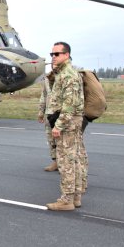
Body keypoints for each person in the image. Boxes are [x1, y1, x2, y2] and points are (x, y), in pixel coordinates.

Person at [46, 42, 86, 210]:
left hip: (67, 124)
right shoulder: (62, 73)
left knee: (66, 162)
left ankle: (66, 200)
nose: (53, 57)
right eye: (52, 54)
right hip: (71, 122)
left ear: (67, 55)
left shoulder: (68, 75)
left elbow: (69, 104)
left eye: (57, 54)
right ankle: (75, 197)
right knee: (74, 159)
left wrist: (58, 126)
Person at [37, 70, 58, 172]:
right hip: (49, 113)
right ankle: (55, 162)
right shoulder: (48, 77)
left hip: (61, 114)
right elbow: (44, 95)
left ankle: (66, 164)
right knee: (51, 139)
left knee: (64, 141)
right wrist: (41, 111)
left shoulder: (67, 76)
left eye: (56, 55)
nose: (54, 59)